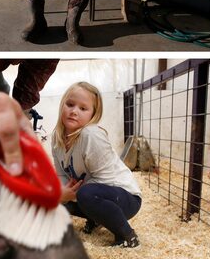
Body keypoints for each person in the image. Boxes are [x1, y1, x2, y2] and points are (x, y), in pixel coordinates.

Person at [51, 81, 142, 248]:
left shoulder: (90, 135)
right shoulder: (57, 138)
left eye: (83, 108)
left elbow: (105, 179)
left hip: (124, 198)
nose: (73, 112)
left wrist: (73, 195)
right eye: (70, 104)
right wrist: (63, 194)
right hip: (91, 193)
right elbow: (61, 175)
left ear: (93, 115)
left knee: (86, 193)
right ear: (62, 105)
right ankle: (96, 218)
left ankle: (128, 236)